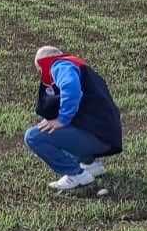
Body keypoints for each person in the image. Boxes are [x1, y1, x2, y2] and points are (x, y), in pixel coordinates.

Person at [24, 46, 122, 190]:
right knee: (57, 127)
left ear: (43, 61)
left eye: (39, 69)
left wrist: (61, 120)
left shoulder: (59, 65)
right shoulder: (77, 66)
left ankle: (76, 174)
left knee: (33, 136)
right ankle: (90, 164)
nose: (40, 73)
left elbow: (71, 87)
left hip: (96, 137)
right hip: (107, 136)